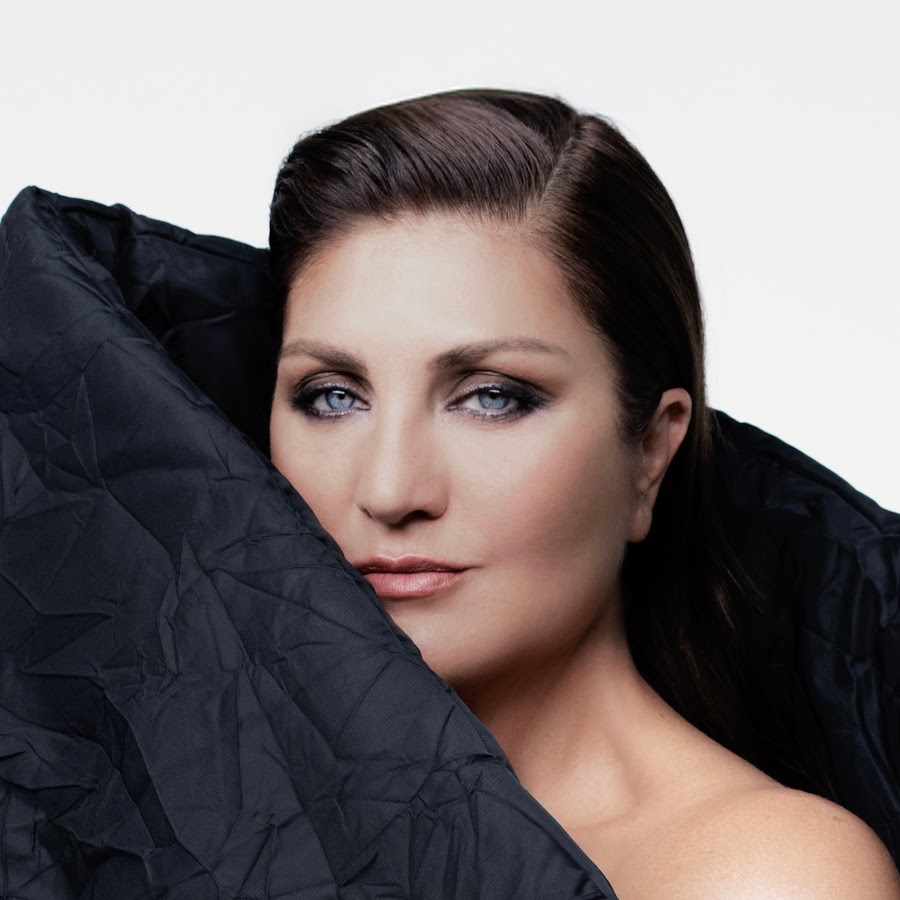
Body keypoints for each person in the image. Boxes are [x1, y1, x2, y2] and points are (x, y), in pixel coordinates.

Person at [266, 88, 899, 897]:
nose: (390, 489)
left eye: (493, 396)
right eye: (331, 396)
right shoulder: (218, 795)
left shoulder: (758, 874)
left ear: (650, 451)